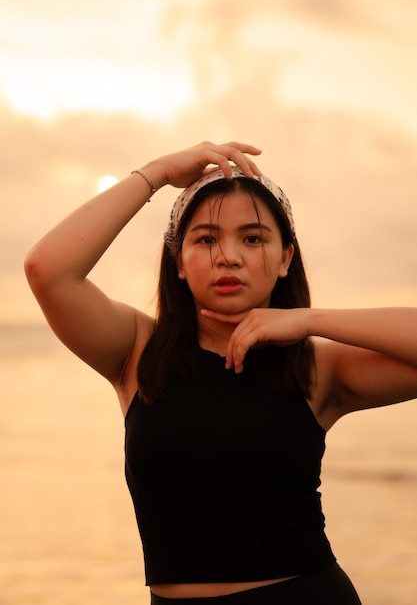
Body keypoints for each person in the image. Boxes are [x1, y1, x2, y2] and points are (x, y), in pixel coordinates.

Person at [25, 141, 417, 604]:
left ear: (286, 258)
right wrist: (158, 172)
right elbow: (47, 270)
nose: (227, 256)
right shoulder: (136, 350)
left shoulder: (317, 368)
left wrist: (310, 320)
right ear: (179, 263)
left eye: (253, 238)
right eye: (206, 238)